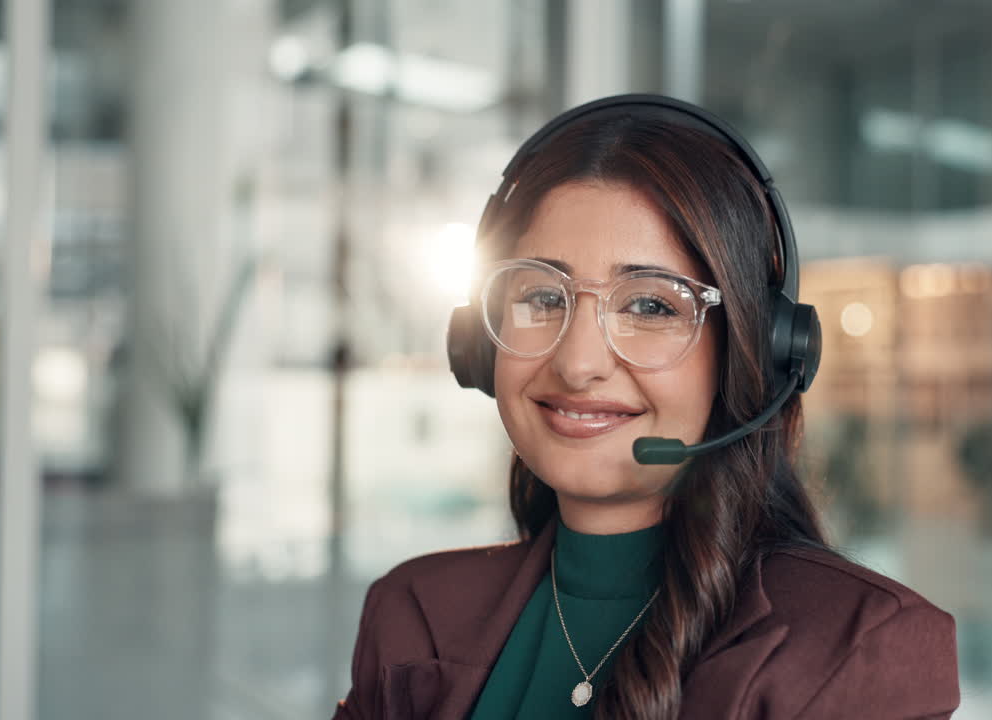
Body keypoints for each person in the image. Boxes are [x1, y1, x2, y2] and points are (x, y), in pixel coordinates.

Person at [332, 95, 960, 719]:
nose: (578, 364)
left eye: (651, 306)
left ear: (752, 350)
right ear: (479, 339)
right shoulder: (409, 614)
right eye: (543, 297)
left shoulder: (859, 650)